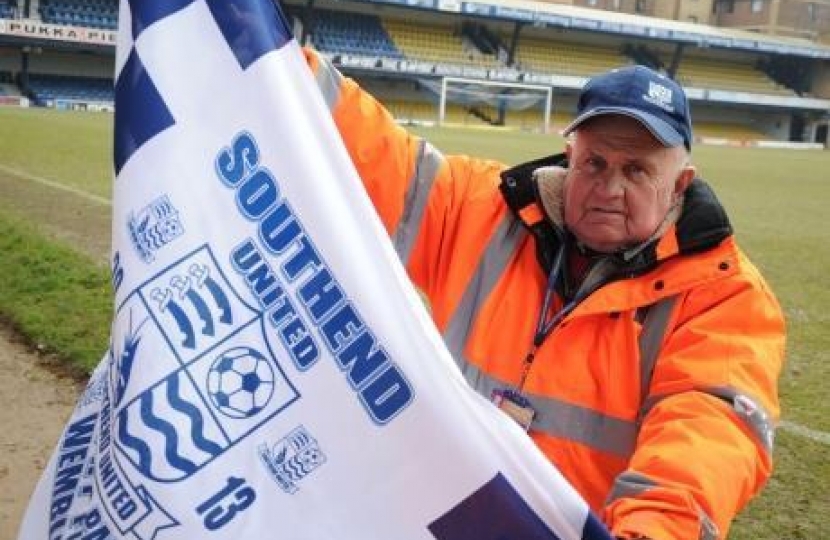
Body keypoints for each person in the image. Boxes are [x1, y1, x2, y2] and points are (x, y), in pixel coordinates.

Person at [303, 50, 785, 540]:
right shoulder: (486, 213)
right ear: (569, 156)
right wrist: (269, 57)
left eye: (637, 170)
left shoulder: (723, 297)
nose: (609, 188)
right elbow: (374, 155)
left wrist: (654, 531)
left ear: (680, 184)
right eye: (594, 162)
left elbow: (706, 436)